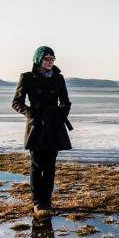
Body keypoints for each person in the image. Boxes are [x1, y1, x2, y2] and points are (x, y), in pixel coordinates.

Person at [12, 46, 72, 217]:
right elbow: (16, 102)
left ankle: (47, 201)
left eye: (52, 58)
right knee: (37, 165)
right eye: (47, 58)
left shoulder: (59, 78)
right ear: (38, 59)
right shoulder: (27, 77)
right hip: (37, 126)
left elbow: (66, 102)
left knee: (51, 166)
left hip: (54, 125)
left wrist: (61, 115)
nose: (50, 61)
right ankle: (37, 202)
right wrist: (31, 114)